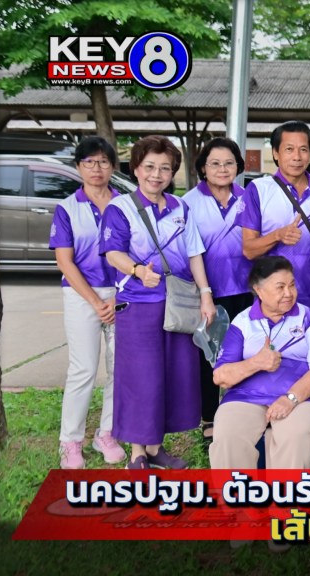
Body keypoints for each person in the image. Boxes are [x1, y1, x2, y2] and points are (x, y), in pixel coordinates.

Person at [99, 135, 216, 469]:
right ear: (136, 169)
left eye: (165, 168)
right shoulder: (120, 208)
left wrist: (205, 294)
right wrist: (137, 270)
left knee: (171, 377)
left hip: (178, 305)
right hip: (138, 305)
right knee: (142, 379)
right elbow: (112, 252)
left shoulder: (180, 208)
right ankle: (138, 453)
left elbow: (194, 253)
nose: (157, 174)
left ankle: (155, 448)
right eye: (149, 166)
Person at [209, 256, 310, 469]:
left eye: (292, 285)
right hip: (245, 398)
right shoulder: (243, 321)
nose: (289, 293)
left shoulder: (306, 317)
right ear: (259, 290)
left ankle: (285, 492)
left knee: (295, 436)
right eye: (280, 287)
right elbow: (220, 376)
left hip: (300, 398)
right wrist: (256, 363)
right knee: (228, 436)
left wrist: (291, 398)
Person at [50, 136, 125, 468]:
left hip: (122, 295)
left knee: (120, 368)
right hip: (82, 295)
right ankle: (70, 441)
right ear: (79, 166)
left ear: (112, 166)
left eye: (103, 162)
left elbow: (136, 253)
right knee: (83, 369)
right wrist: (96, 301)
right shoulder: (67, 208)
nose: (97, 168)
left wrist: (118, 296)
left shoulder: (125, 204)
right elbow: (65, 261)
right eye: (89, 162)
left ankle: (107, 433)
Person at [182, 137, 253, 444]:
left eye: (229, 163)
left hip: (247, 291)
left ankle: (242, 412)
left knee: (244, 353)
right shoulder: (188, 202)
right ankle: (210, 417)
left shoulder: (249, 198)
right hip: (208, 292)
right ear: (202, 168)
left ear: (238, 166)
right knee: (209, 356)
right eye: (215, 163)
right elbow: (190, 251)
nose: (223, 169)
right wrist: (204, 292)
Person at [239, 120, 310, 322]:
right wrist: (278, 235)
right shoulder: (258, 190)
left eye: (303, 149)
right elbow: (249, 250)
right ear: (275, 153)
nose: (297, 157)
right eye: (289, 149)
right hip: (271, 302)